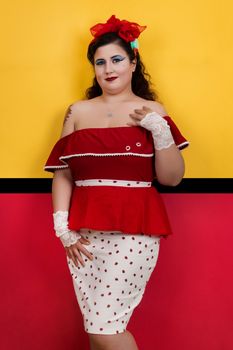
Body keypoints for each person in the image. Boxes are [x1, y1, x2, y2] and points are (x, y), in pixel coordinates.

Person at [44, 15, 189, 350]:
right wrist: (62, 229)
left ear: (133, 63)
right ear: (93, 68)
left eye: (117, 60)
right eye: (100, 62)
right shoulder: (77, 112)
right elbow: (63, 173)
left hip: (134, 233)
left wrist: (160, 129)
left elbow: (171, 178)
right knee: (96, 328)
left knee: (104, 330)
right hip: (84, 235)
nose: (108, 69)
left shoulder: (152, 110)